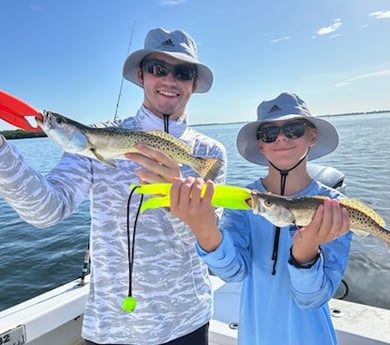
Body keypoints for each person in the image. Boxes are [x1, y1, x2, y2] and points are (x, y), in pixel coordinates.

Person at [0, 28, 226, 344]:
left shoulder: (209, 154)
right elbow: (46, 211)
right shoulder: (95, 136)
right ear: (141, 74)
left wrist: (173, 198)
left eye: (183, 72)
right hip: (112, 327)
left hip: (188, 321)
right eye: (158, 68)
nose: (169, 80)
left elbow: (205, 241)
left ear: (195, 83)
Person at [169, 92, 352, 345]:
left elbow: (312, 298)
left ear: (312, 135)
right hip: (254, 335)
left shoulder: (334, 207)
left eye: (293, 129)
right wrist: (204, 229)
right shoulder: (244, 201)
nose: (281, 138)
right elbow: (233, 272)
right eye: (269, 134)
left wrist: (305, 253)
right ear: (261, 144)